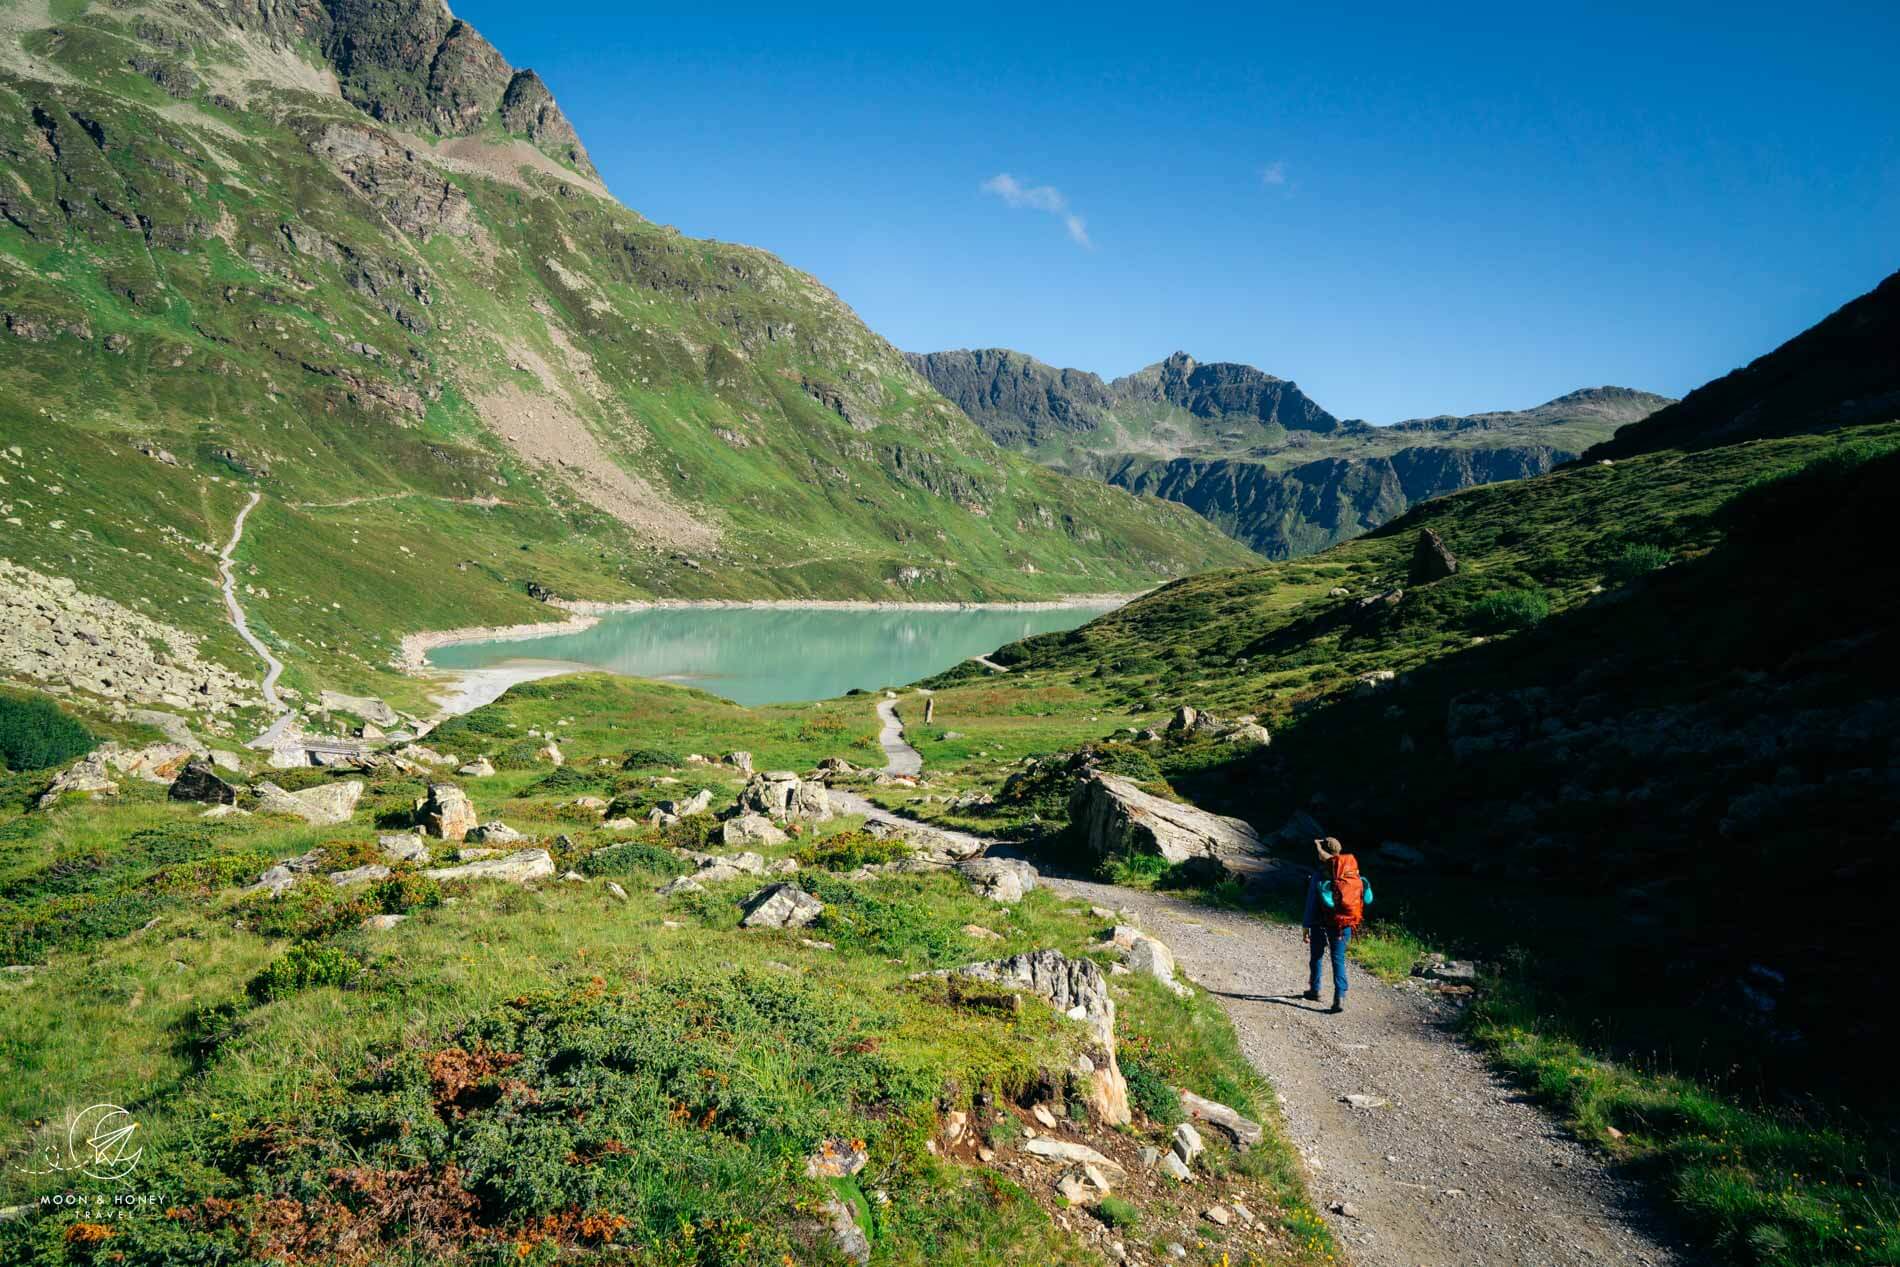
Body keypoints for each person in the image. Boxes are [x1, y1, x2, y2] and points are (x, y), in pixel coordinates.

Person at [1302, 837, 1365, 1013]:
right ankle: (1340, 997)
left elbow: (1311, 902)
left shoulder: (1320, 873)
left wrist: (1306, 925)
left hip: (1319, 922)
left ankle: (1315, 990)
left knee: (1317, 956)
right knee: (1338, 959)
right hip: (1344, 923)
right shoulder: (1351, 870)